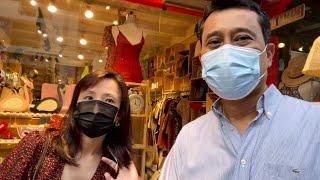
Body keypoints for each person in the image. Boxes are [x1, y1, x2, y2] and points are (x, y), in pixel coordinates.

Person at [159, 0, 320, 179]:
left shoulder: (314, 123)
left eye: (243, 38)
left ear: (268, 55)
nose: (227, 51)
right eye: (214, 42)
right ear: (203, 58)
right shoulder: (188, 138)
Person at [0, 71, 138, 180]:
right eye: (89, 98)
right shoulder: (37, 145)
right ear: (76, 105)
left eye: (109, 100)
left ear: (119, 115)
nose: (96, 109)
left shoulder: (116, 170)